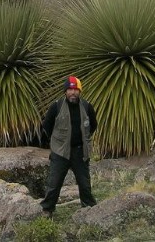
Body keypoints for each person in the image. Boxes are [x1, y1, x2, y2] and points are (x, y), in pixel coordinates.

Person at [40, 75, 97, 217]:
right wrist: (57, 142)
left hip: (80, 151)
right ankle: (47, 209)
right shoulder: (56, 106)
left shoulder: (87, 106)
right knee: (54, 182)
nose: (73, 93)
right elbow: (46, 126)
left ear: (80, 91)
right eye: (70, 90)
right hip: (60, 152)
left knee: (84, 183)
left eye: (76, 89)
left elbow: (93, 125)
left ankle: (89, 208)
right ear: (65, 91)